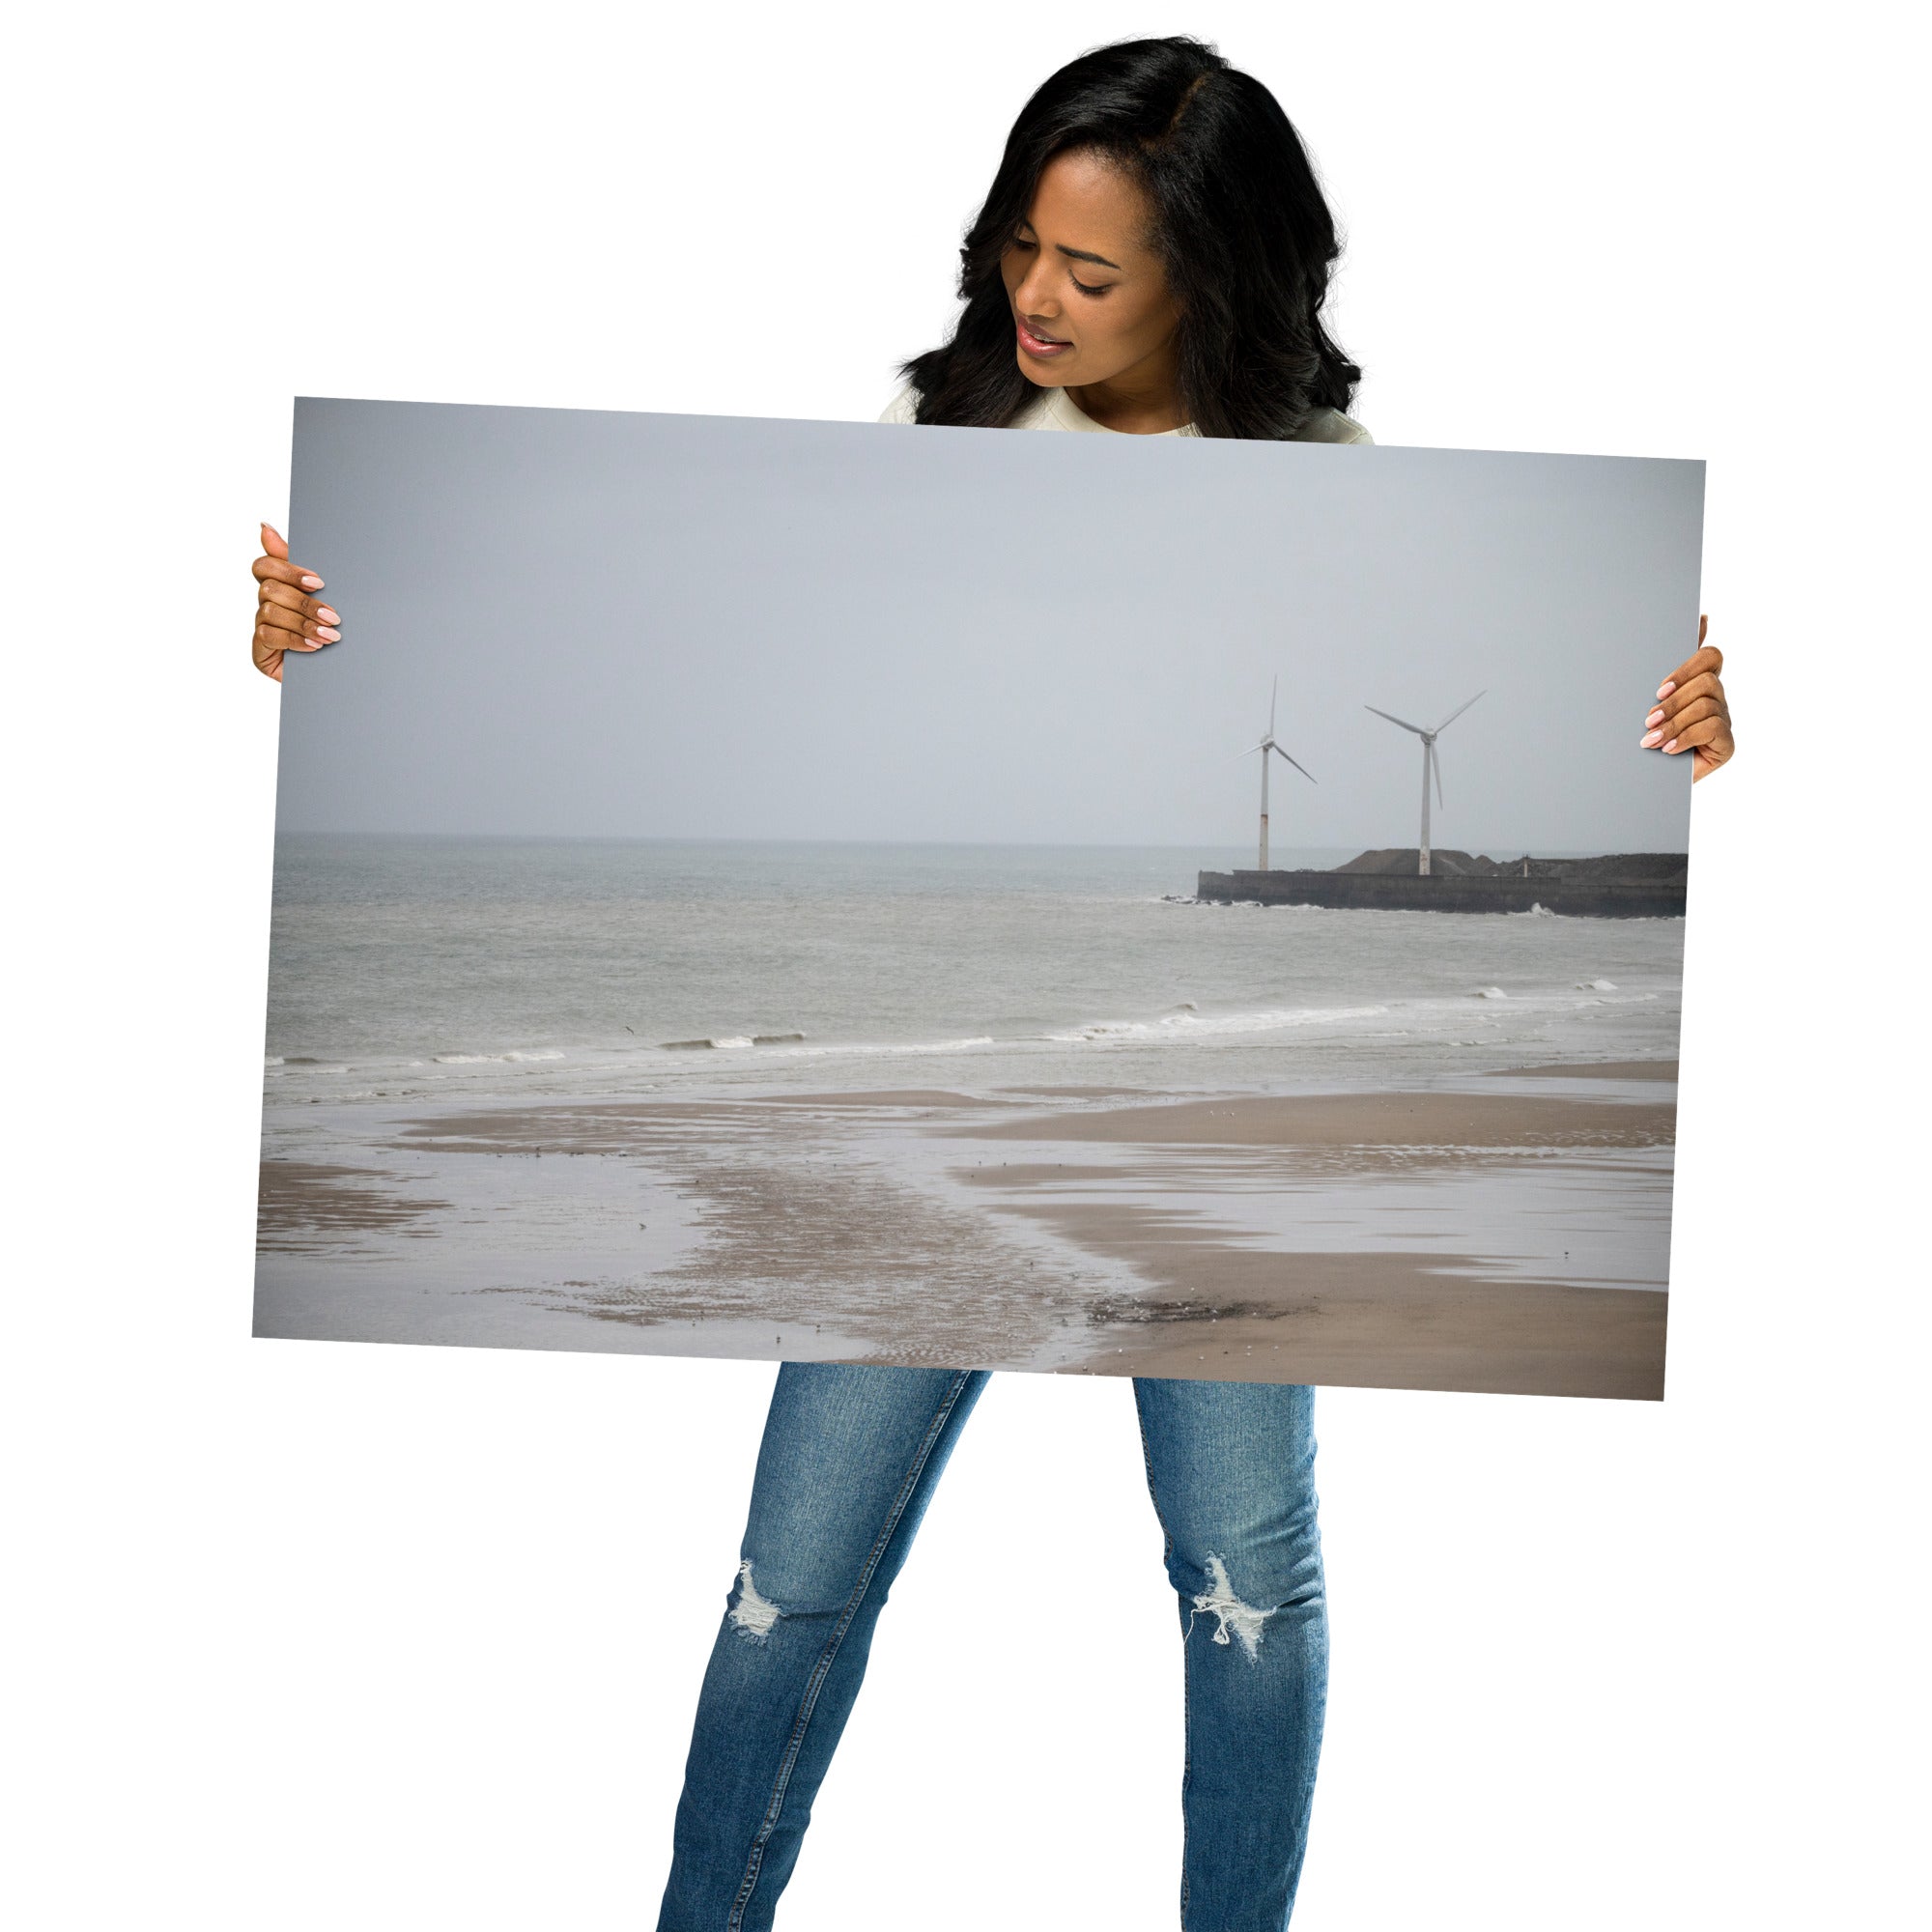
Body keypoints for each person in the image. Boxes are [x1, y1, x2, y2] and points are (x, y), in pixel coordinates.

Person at [247, 37, 1734, 1931]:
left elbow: (1482, 720)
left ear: (1219, 272)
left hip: (1223, 1124)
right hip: (944, 1097)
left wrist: (1689, 732)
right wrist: (316, 641)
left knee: (1244, 1579)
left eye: (1091, 272)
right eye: (1021, 245)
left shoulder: (1329, 479)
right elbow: (784, 688)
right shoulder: (931, 430)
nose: (1035, 297)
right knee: (790, 1578)